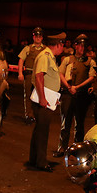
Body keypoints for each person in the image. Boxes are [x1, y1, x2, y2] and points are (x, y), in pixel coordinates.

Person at [28, 32, 66, 172]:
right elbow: (39, 77)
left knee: (39, 130)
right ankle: (41, 162)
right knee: (43, 132)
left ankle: (35, 159)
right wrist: (43, 98)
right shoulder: (45, 56)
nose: (63, 48)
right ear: (58, 45)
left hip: (48, 98)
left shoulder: (50, 57)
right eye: (62, 45)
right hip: (43, 100)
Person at [54, 34, 95, 157]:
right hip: (68, 93)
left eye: (84, 46)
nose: (82, 48)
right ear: (75, 46)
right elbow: (60, 73)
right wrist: (68, 86)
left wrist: (77, 87)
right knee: (65, 122)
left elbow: (91, 77)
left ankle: (77, 149)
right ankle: (62, 148)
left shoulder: (90, 62)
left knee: (79, 123)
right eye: (80, 45)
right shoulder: (67, 59)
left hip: (81, 94)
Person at [18, 27, 45, 123]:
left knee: (40, 94)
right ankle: (29, 114)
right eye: (36, 36)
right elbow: (21, 60)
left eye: (40, 36)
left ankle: (37, 115)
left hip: (41, 75)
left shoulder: (45, 50)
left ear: (42, 38)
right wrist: (20, 73)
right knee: (28, 95)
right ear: (33, 37)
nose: (38, 38)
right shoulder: (28, 48)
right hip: (29, 74)